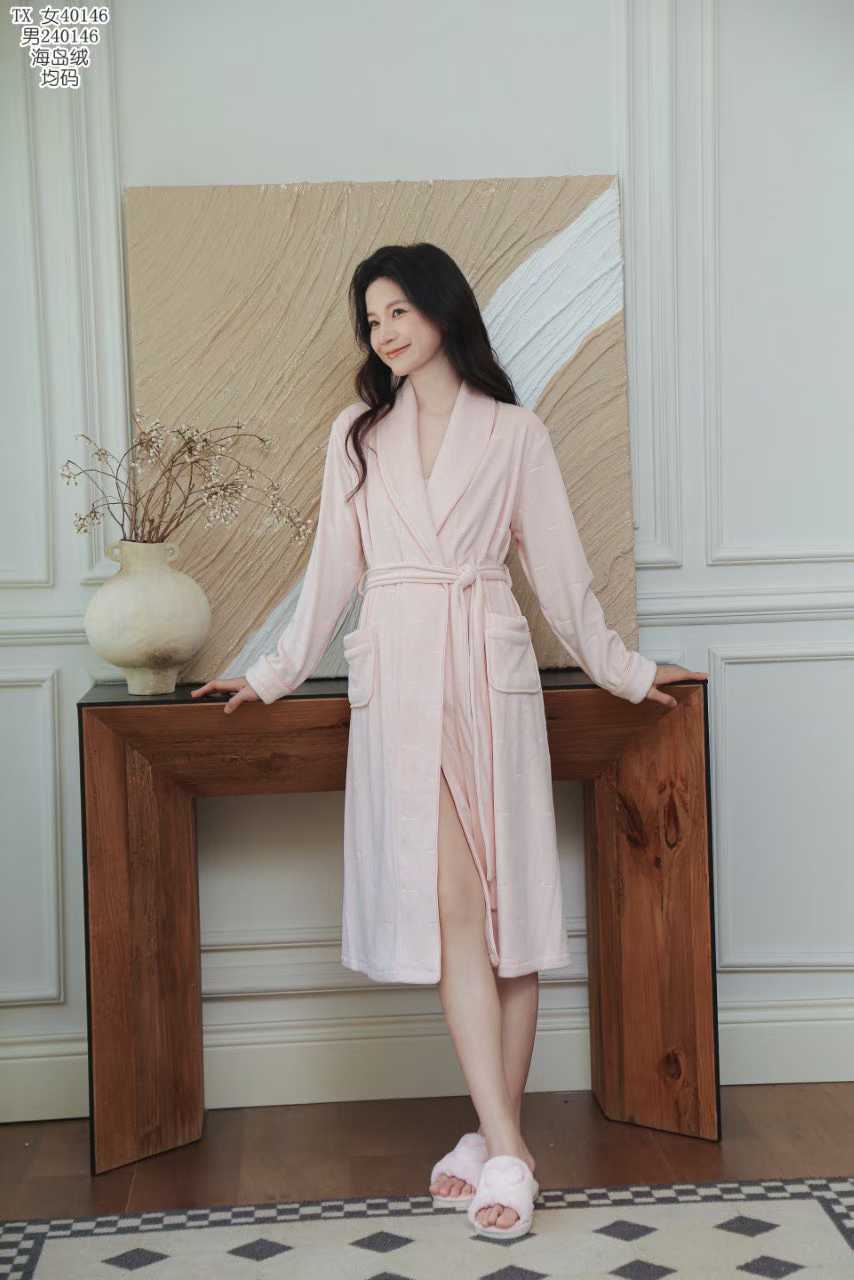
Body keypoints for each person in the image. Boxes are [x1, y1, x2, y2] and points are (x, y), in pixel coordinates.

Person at [193, 242, 708, 1239]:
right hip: (402, 681)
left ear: (439, 309)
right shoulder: (356, 435)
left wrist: (627, 670)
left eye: (397, 310)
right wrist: (271, 671)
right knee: (455, 906)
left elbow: (563, 577)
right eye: (370, 318)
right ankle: (512, 1145)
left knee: (513, 923)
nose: (383, 331)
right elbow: (330, 571)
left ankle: (487, 1142)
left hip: (488, 675)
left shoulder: (515, 433)